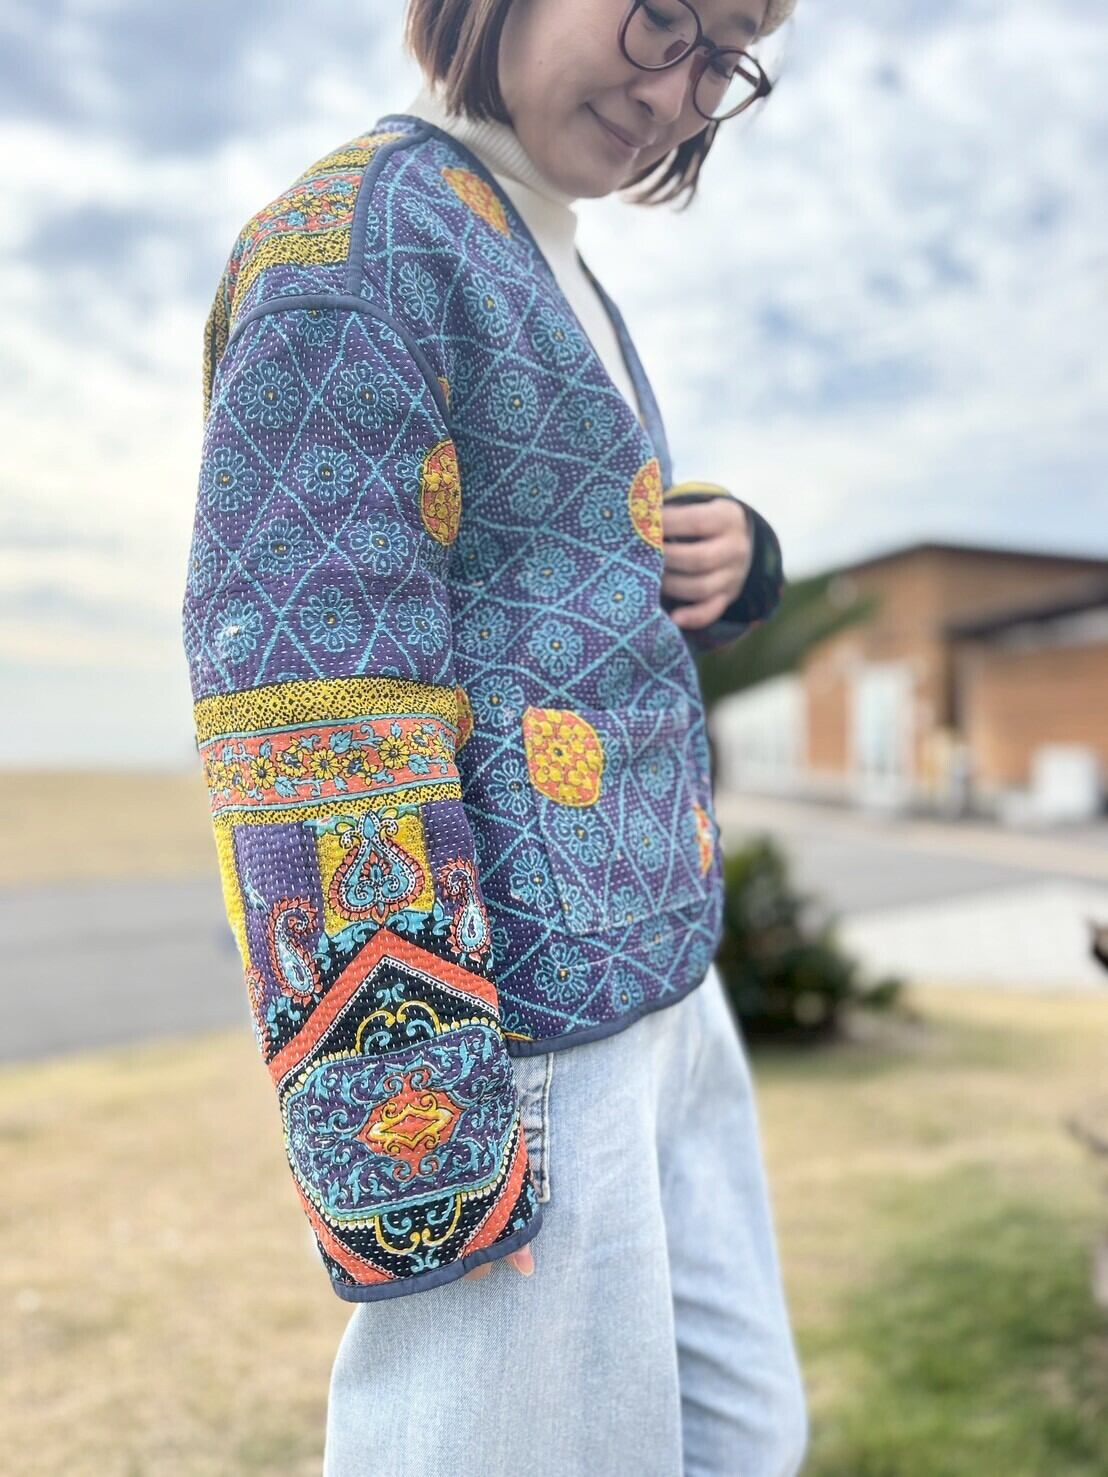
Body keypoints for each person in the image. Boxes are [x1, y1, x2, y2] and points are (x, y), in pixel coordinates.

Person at [180, 0, 808, 1472]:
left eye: (727, 56)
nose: (679, 92)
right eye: (665, 16)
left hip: (669, 977)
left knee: (740, 1434)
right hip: (512, 1033)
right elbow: (314, 701)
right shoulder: (352, 251)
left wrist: (739, 565)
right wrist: (419, 1136)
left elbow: (557, 582)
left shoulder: (551, 250)